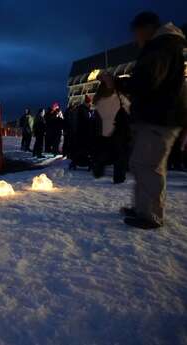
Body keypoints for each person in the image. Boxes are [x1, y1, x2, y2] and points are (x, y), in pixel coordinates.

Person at [102, 12, 187, 229]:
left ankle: (150, 214)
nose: (135, 39)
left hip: (159, 118)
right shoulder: (164, 46)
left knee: (148, 165)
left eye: (136, 33)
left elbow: (146, 81)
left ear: (147, 28)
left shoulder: (161, 48)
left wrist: (117, 83)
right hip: (158, 117)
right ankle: (144, 208)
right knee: (142, 164)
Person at [92, 82, 131, 183]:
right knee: (120, 155)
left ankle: (101, 166)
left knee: (112, 153)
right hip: (118, 131)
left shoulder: (103, 100)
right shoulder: (118, 100)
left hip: (108, 132)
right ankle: (118, 177)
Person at [69, 96, 94, 170]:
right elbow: (85, 121)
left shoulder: (83, 109)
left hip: (81, 133)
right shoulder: (83, 110)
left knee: (81, 149)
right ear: (87, 102)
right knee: (82, 149)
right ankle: (79, 162)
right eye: (90, 103)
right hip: (82, 134)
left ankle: (78, 161)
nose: (90, 104)